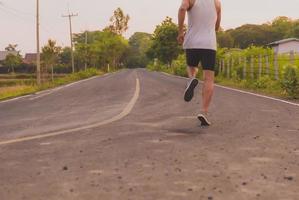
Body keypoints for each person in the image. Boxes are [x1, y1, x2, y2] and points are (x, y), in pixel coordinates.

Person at [177, 0, 221, 126]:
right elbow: (217, 27)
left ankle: (191, 79)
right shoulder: (217, 2)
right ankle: (204, 111)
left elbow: (181, 9)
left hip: (192, 42)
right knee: (209, 79)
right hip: (209, 44)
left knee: (191, 67)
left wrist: (180, 31)